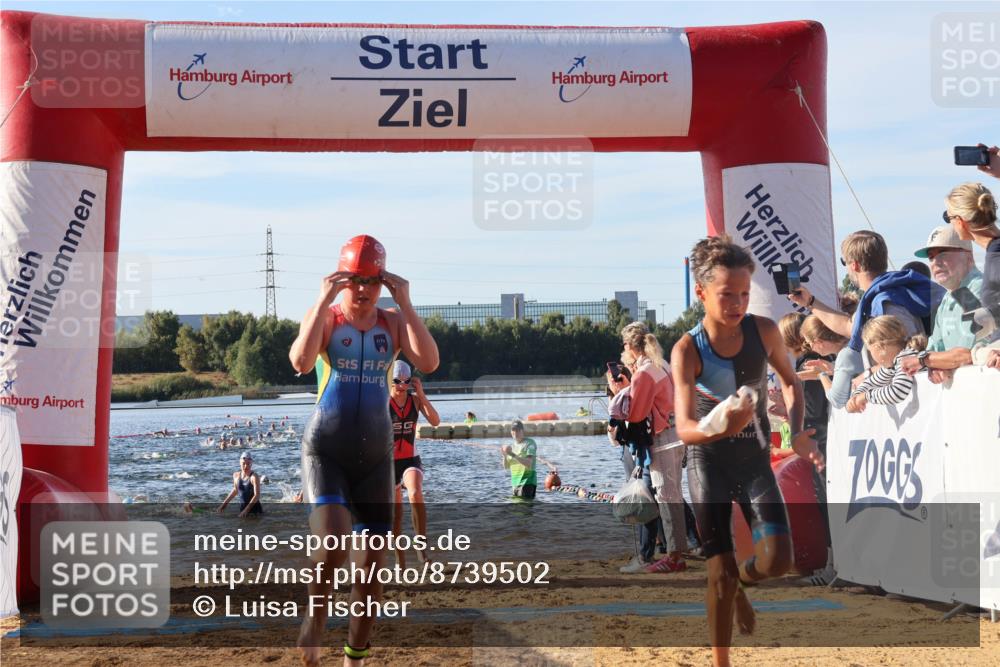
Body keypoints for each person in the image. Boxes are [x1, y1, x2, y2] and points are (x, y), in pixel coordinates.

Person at [288, 234, 439, 667]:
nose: (363, 290)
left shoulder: (391, 323)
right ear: (341, 279)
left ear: (382, 283)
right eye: (355, 280)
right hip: (326, 451)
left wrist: (406, 302)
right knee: (333, 541)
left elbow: (428, 362)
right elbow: (300, 361)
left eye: (372, 282)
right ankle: (316, 620)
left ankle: (354, 658)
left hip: (376, 456)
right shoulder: (328, 319)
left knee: (370, 575)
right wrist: (321, 300)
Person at [671, 236, 823, 667]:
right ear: (701, 292)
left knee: (779, 562)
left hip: (754, 460)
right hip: (708, 463)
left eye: (743, 293)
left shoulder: (765, 331)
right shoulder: (687, 349)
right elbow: (684, 429)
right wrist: (720, 425)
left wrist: (795, 433)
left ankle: (740, 580)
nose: (737, 303)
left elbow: (791, 384)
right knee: (717, 574)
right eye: (726, 295)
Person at [788, 230, 939, 370]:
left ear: (854, 265)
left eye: (844, 262)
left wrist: (867, 377)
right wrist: (810, 302)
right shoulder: (880, 297)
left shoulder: (887, 303)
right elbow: (849, 327)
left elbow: (907, 356)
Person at [608, 322, 687, 575]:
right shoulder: (661, 364)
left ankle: (674, 556)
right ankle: (675, 552)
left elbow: (637, 413)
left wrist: (619, 394)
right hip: (678, 434)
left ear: (629, 346)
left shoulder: (643, 373)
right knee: (672, 493)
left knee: (665, 495)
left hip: (663, 438)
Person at [389, 360, 440, 568]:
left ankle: (421, 548)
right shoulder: (382, 402)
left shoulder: (415, 401)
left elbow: (435, 422)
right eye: (397, 382)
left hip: (410, 459)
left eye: (406, 382)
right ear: (390, 382)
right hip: (389, 463)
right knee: (396, 515)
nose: (402, 386)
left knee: (415, 492)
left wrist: (422, 395)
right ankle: (400, 559)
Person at [914, 224, 983, 351]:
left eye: (943, 254)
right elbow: (935, 347)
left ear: (969, 258)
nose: (935, 262)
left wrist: (923, 361)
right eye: (931, 257)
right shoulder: (949, 296)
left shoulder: (976, 289)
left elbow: (967, 353)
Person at [847, 316, 928, 412]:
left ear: (880, 348)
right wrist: (855, 397)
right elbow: (871, 382)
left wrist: (866, 396)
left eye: (870, 351)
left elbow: (897, 392)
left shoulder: (906, 359)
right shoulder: (892, 365)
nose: (871, 355)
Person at [217, 452, 262, 517]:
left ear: (251, 463)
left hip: (255, 511)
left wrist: (246, 510)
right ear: (240, 463)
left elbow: (257, 495)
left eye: (248, 464)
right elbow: (235, 490)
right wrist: (224, 504)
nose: (246, 466)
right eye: (243, 464)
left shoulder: (254, 477)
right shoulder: (236, 475)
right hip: (242, 509)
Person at [501, 420, 537, 499]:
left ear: (522, 431)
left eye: (517, 430)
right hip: (515, 484)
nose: (515, 432)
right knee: (516, 510)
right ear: (511, 432)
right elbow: (506, 467)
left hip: (527, 483)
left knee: (523, 509)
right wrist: (504, 455)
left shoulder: (529, 443)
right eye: (513, 430)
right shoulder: (512, 447)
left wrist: (512, 454)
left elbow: (529, 463)